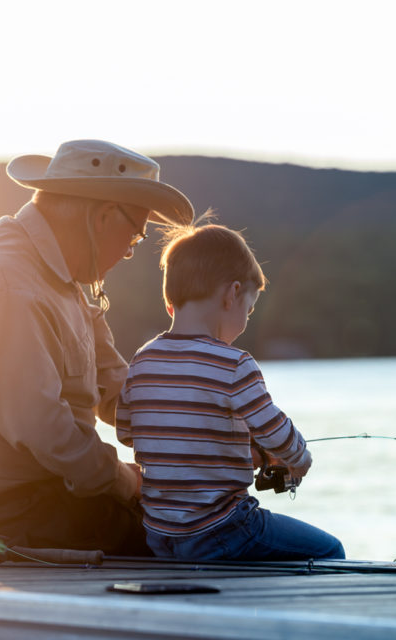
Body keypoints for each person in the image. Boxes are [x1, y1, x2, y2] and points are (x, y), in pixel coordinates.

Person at [0, 139, 193, 554]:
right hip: (4, 511)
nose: (128, 252)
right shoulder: (11, 283)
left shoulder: (59, 276)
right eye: (135, 236)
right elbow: (42, 426)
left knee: (193, 519)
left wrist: (198, 431)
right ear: (103, 216)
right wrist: (126, 481)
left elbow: (114, 387)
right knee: (194, 536)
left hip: (33, 497)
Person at [115, 223, 345, 561]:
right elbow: (277, 433)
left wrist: (221, 447)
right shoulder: (234, 364)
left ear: (170, 303)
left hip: (161, 537)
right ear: (232, 294)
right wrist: (300, 459)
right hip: (223, 530)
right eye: (248, 310)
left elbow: (126, 432)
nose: (246, 320)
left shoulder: (142, 360)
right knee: (329, 550)